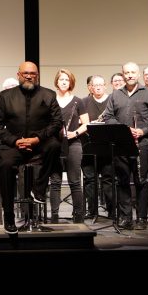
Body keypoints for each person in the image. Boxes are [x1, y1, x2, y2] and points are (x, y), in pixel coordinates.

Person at [0, 62, 63, 233]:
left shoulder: (48, 94)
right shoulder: (6, 96)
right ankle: (9, 218)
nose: (29, 76)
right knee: (6, 165)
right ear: (19, 75)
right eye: (25, 73)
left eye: (33, 73)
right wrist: (15, 141)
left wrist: (37, 139)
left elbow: (57, 122)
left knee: (54, 145)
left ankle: (39, 189)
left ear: (37, 75)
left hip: (39, 143)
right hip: (14, 144)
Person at [98, 62, 148, 226]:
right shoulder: (115, 94)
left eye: (133, 72)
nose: (130, 75)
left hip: (142, 143)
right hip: (122, 144)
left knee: (141, 181)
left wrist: (142, 131)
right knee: (123, 181)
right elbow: (108, 117)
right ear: (123, 74)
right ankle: (126, 217)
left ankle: (141, 218)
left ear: (138, 74)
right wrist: (123, 130)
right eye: (127, 72)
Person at [48, 69, 89, 223]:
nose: (64, 82)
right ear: (56, 82)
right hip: (55, 144)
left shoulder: (78, 101)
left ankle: (78, 216)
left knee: (74, 181)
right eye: (61, 79)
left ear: (71, 82)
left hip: (73, 143)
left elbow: (86, 123)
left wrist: (75, 133)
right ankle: (54, 216)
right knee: (55, 181)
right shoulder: (50, 100)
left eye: (67, 79)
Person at [81, 75, 110, 219]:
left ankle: (111, 210)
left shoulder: (112, 100)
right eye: (95, 85)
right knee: (89, 180)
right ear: (90, 87)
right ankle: (91, 211)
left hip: (106, 146)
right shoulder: (84, 102)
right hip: (88, 145)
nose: (98, 87)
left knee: (108, 179)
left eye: (100, 84)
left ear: (105, 86)